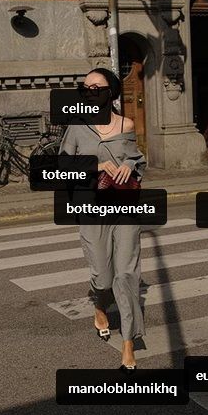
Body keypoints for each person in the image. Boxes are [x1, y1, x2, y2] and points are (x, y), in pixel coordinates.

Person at [58, 67, 146, 370]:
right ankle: (99, 305)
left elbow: (136, 159)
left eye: (96, 87)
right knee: (103, 276)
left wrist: (129, 166)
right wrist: (95, 166)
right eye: (85, 87)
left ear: (111, 92)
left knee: (126, 274)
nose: (89, 91)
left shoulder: (126, 124)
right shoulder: (77, 126)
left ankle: (128, 343)